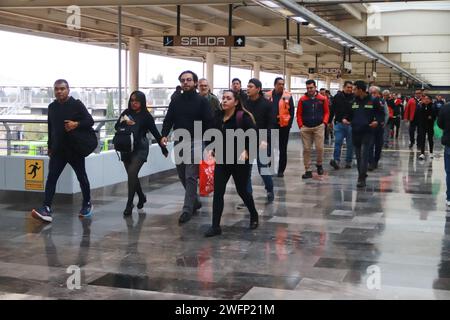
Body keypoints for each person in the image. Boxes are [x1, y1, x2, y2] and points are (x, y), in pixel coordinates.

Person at [31, 79, 94, 223]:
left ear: (68, 90)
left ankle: (87, 204)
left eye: (62, 88)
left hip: (74, 149)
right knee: (51, 179)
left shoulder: (76, 104)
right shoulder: (52, 107)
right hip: (58, 150)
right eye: (56, 89)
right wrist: (50, 146)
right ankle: (46, 208)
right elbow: (50, 128)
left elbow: (90, 121)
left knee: (81, 177)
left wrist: (76, 124)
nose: (59, 91)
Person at [161, 70, 214, 224]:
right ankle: (194, 201)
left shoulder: (202, 101)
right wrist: (164, 134)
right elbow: (169, 118)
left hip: (196, 141)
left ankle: (187, 209)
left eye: (189, 80)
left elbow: (209, 122)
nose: (186, 82)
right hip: (179, 141)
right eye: (183, 80)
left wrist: (210, 145)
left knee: (191, 175)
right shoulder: (176, 100)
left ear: (195, 83)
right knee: (182, 174)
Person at [204, 90, 259, 237]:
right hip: (222, 159)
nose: (224, 101)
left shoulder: (243, 117)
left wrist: (247, 151)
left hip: (240, 161)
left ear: (236, 102)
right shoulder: (218, 116)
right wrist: (210, 148)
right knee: (218, 192)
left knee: (242, 191)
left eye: (228, 98)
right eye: (223, 98)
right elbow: (210, 133)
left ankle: (254, 214)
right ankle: (215, 226)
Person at [115, 91, 168, 216]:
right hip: (126, 147)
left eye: (137, 101)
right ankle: (141, 196)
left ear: (142, 102)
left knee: (132, 173)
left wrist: (163, 148)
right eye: (132, 100)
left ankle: (129, 204)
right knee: (131, 175)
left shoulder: (146, 116)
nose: (134, 103)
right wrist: (124, 122)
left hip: (140, 148)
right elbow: (116, 126)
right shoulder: (126, 113)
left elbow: (155, 132)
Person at [342, 80, 384, 188]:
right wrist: (345, 119)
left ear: (360, 90)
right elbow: (349, 114)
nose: (353, 91)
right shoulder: (353, 101)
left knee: (364, 154)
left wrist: (377, 121)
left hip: (367, 131)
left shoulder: (373, 100)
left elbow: (381, 114)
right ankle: (362, 173)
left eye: (355, 89)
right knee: (358, 156)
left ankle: (361, 178)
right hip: (355, 131)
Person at [245, 78, 275, 203]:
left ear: (258, 89)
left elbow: (271, 123)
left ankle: (269, 189)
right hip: (246, 140)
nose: (248, 88)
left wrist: (266, 140)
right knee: (245, 170)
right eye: (247, 86)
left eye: (251, 86)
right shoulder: (244, 103)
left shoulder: (267, 104)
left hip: (262, 140)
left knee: (263, 168)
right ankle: (248, 196)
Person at [296, 79, 329, 179]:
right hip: (305, 128)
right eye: (308, 88)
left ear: (315, 87)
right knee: (306, 149)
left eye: (311, 87)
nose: (309, 90)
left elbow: (327, 112)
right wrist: (301, 125)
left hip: (319, 126)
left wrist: (324, 122)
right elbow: (299, 114)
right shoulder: (302, 99)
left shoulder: (322, 99)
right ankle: (308, 170)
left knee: (320, 148)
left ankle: (319, 164)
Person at [265, 77, 295, 177]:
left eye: (283, 84)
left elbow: (291, 112)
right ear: (275, 85)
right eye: (279, 84)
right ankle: (270, 167)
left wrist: (289, 125)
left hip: (284, 126)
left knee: (282, 149)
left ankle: (281, 170)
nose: (281, 86)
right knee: (270, 148)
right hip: (271, 126)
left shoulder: (288, 96)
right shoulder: (267, 95)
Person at [329, 80, 354, 170]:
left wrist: (350, 120)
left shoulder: (354, 98)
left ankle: (349, 161)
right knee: (338, 142)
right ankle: (336, 161)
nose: (349, 89)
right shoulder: (337, 97)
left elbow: (355, 111)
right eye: (348, 87)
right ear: (344, 87)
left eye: (351, 88)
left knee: (350, 144)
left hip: (350, 124)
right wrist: (329, 121)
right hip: (339, 124)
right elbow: (332, 110)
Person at [368, 86, 388, 171]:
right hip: (369, 127)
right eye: (371, 93)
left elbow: (386, 114)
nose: (373, 95)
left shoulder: (382, 102)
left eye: (374, 93)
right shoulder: (367, 101)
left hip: (379, 127)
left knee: (379, 145)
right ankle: (371, 162)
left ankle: (376, 160)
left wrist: (383, 124)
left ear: (378, 93)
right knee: (370, 145)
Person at [416, 94, 437, 160]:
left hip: (430, 125)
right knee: (422, 139)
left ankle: (431, 152)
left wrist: (430, 117)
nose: (426, 100)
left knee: (430, 139)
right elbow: (418, 114)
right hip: (422, 125)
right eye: (425, 99)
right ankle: (422, 153)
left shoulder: (433, 106)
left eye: (427, 99)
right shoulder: (420, 106)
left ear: (430, 100)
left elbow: (434, 116)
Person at [437, 102, 450, 206]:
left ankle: (449, 197)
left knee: (449, 172)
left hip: (449, 142)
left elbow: (440, 123)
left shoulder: (445, 107)